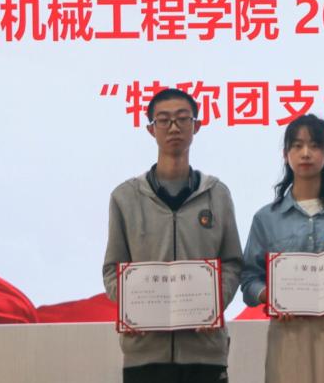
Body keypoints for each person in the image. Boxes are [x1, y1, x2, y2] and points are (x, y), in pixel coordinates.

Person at [103, 88, 243, 383]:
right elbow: (113, 269)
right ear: (151, 129)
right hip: (145, 353)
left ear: (197, 126)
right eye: (164, 120)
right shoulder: (125, 197)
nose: (174, 127)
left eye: (183, 118)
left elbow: (232, 262)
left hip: (205, 351)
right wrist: (130, 306)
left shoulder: (217, 194)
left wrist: (215, 303)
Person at [241, 114, 324, 383]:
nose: (306, 153)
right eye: (297, 145)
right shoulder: (266, 218)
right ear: (285, 154)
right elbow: (249, 279)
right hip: (288, 336)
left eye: (315, 145)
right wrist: (269, 295)